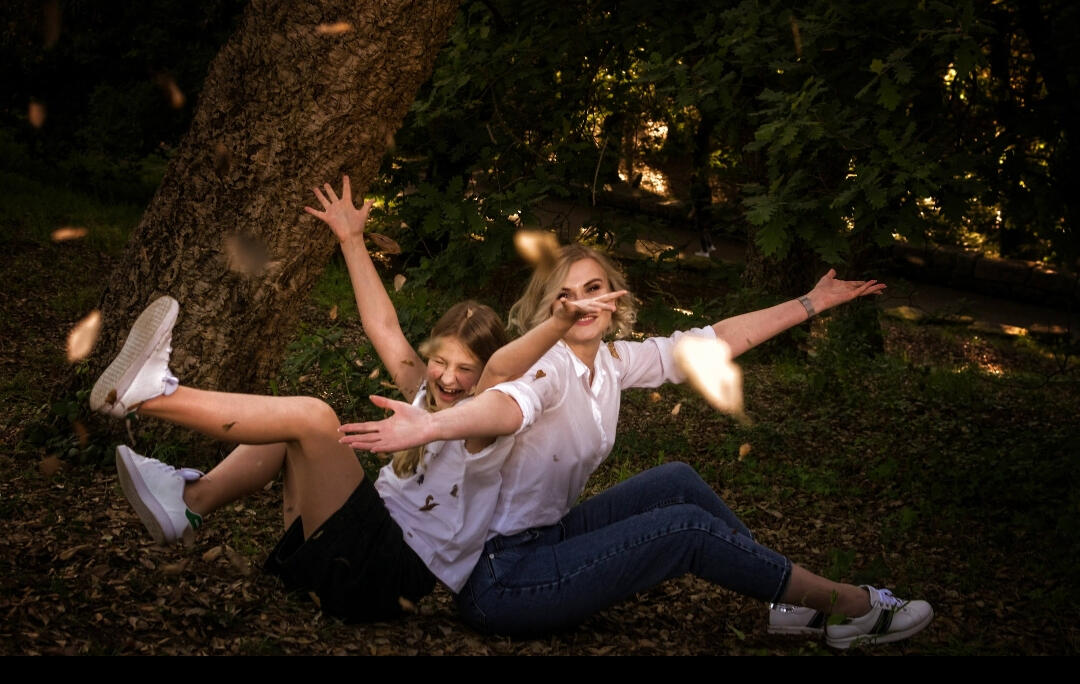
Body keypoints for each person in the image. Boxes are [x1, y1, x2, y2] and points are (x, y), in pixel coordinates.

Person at [340, 243, 934, 649]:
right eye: (567, 294)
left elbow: (713, 341)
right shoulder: (545, 368)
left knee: (676, 480)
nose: (583, 302)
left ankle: (785, 598)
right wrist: (431, 426)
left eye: (594, 288)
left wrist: (811, 303)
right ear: (550, 307)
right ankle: (851, 607)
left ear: (614, 297)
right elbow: (506, 403)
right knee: (683, 530)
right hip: (499, 578)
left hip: (544, 538)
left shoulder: (613, 361)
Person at [90, 178, 623, 622]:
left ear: (485, 377)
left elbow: (505, 370)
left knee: (315, 418)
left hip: (386, 578)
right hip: (347, 554)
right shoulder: (423, 391)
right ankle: (191, 502)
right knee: (287, 429)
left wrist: (559, 323)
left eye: (467, 370)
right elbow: (383, 326)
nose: (449, 378)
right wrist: (350, 238)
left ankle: (156, 395)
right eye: (441, 361)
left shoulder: (481, 425)